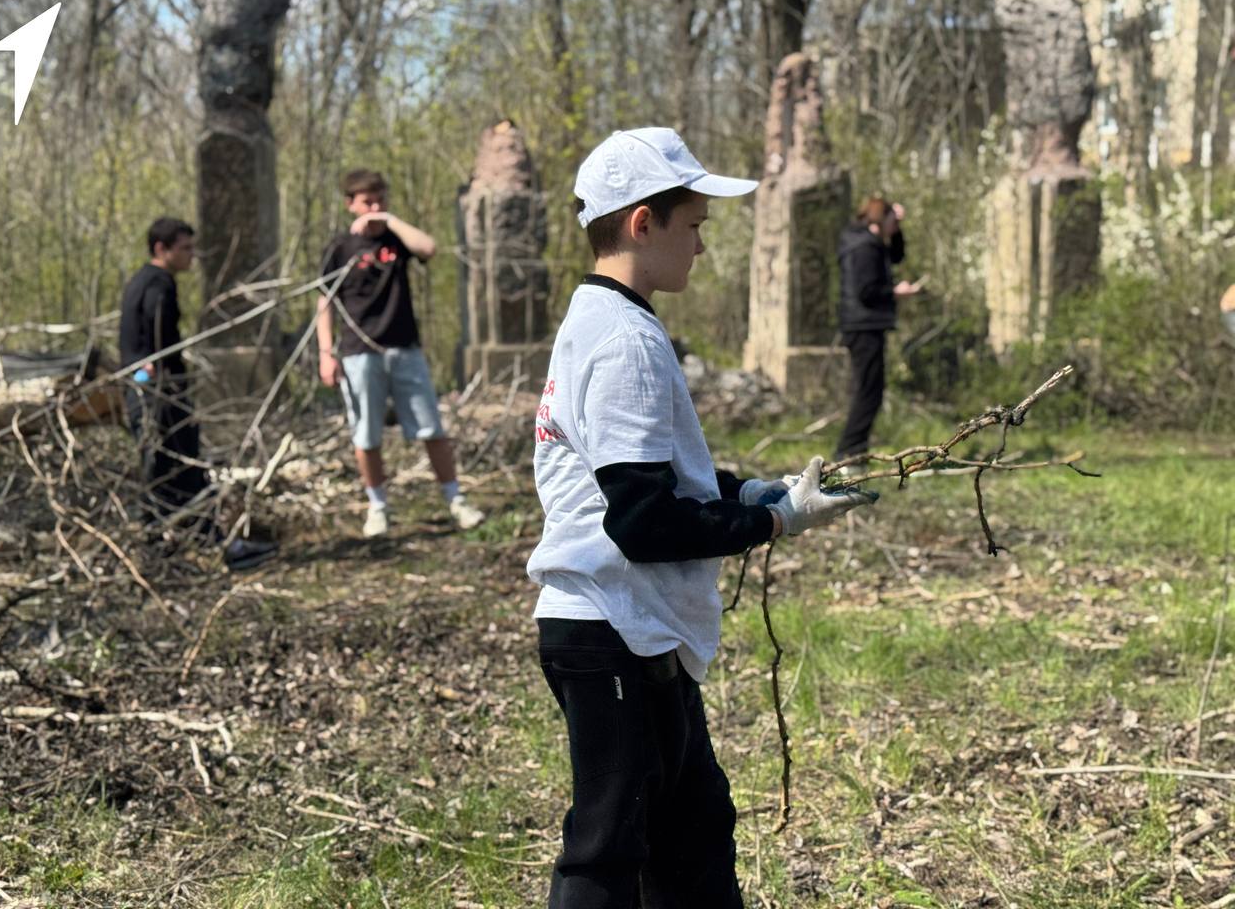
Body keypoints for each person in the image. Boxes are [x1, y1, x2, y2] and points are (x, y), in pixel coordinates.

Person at [527, 128, 876, 908]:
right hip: (611, 627)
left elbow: (646, 471)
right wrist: (773, 523)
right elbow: (642, 522)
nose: (702, 249)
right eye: (694, 227)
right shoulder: (624, 340)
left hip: (635, 630)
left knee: (693, 835)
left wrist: (741, 491)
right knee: (607, 850)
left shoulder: (606, 319)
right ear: (643, 221)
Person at [315, 169, 484, 537]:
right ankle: (378, 508)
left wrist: (389, 219)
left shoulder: (397, 237)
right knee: (367, 434)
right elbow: (324, 301)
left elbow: (429, 248)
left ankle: (456, 500)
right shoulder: (339, 249)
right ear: (350, 205)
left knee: (431, 428)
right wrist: (326, 353)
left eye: (380, 200)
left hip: (405, 348)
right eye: (366, 202)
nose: (374, 207)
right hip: (359, 352)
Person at [119, 217, 277, 571]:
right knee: (180, 471)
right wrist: (160, 370)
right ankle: (195, 549)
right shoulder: (159, 284)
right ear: (162, 249)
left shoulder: (138, 282)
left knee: (167, 473)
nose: (193, 255)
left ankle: (180, 548)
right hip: (162, 397)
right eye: (186, 248)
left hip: (146, 394)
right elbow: (158, 327)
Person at [833, 194, 921, 468]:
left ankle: (853, 452)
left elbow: (897, 254)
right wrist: (896, 292)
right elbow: (866, 291)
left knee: (870, 389)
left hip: (865, 325)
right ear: (880, 220)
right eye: (892, 221)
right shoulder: (864, 248)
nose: (895, 227)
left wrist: (898, 225)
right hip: (863, 326)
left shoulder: (866, 241)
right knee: (869, 391)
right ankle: (849, 453)